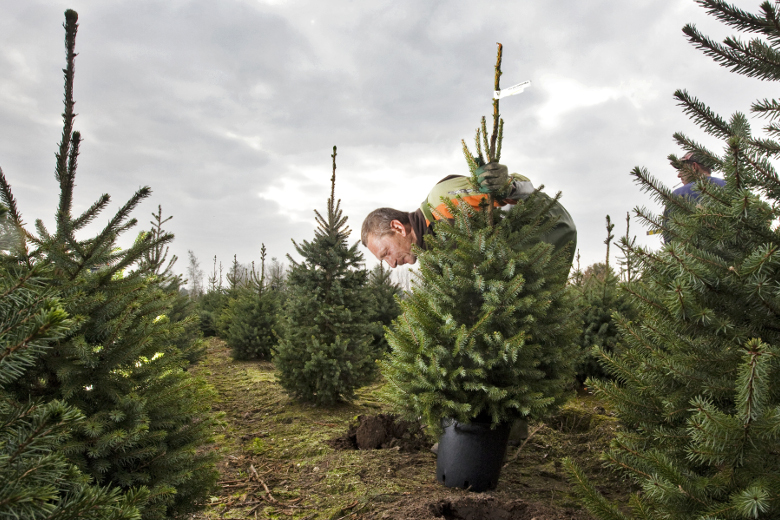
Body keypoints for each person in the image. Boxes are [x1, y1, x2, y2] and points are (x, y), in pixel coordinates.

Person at [361, 162, 577, 268]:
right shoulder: (435, 247)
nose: (391, 264)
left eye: (386, 253)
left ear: (398, 227)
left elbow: (522, 189)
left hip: (547, 225)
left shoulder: (441, 201)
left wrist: (503, 184)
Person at [662, 151, 726, 243]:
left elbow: (670, 237)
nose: (678, 175)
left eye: (682, 169)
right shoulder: (730, 186)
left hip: (694, 254)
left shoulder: (679, 194)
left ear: (694, 167)